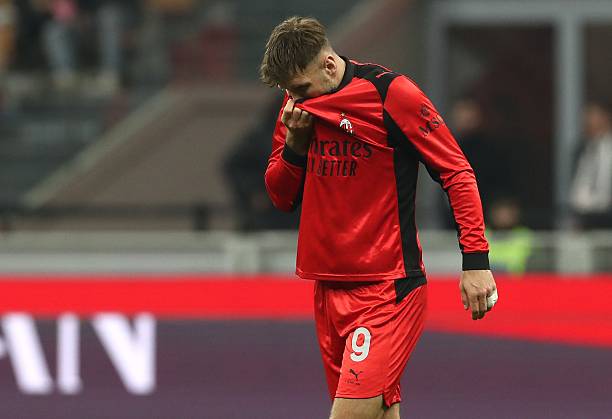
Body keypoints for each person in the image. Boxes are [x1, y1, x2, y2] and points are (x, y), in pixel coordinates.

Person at [261, 17, 498, 419]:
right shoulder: (296, 111)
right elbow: (280, 197)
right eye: (289, 92)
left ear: (329, 65)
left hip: (386, 289)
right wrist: (295, 148)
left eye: (300, 88)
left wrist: (476, 261)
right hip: (327, 289)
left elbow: (456, 172)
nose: (296, 100)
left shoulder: (390, 94)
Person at [570, 100, 612, 229]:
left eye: (592, 117)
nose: (587, 123)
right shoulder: (583, 148)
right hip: (585, 216)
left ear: (605, 118)